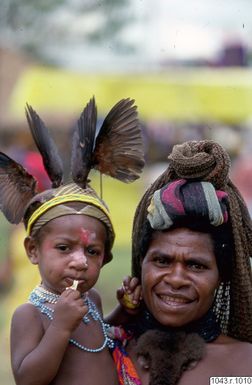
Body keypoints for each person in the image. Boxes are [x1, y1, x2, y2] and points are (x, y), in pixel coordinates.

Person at [0, 96, 145, 385]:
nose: (80, 262)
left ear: (105, 257)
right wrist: (60, 327)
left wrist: (125, 312)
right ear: (33, 250)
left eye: (92, 251)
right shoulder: (29, 315)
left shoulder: (90, 298)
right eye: (64, 248)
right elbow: (27, 378)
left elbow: (98, 340)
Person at [113, 140, 252, 385]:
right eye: (162, 261)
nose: (176, 279)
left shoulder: (243, 366)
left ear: (222, 274)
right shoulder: (109, 350)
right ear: (141, 262)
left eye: (196, 265)